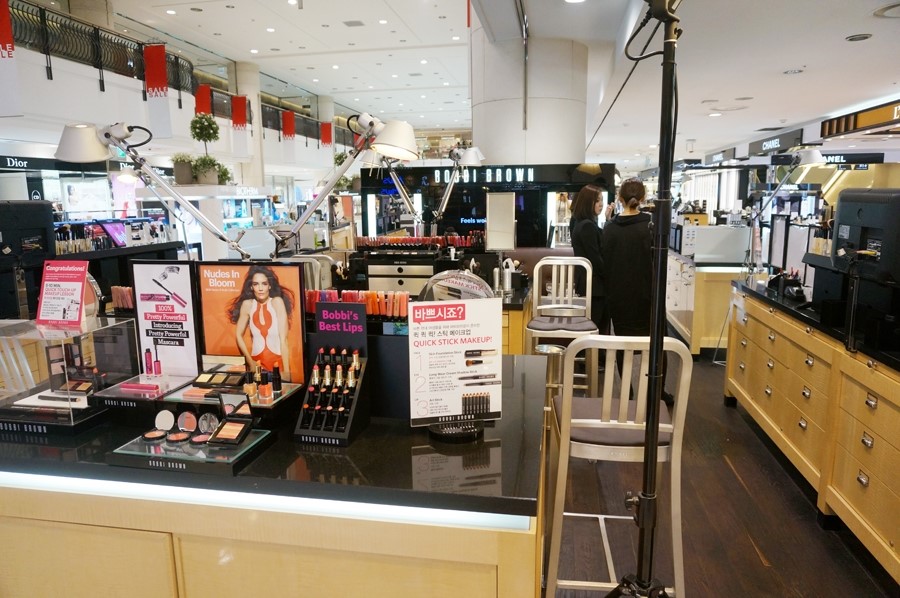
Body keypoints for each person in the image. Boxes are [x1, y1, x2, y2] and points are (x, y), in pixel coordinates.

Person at [602, 178, 672, 405]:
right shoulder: (651, 227)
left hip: (619, 296)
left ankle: (627, 393)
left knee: (624, 345)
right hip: (648, 296)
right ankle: (657, 392)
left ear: (619, 198)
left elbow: (606, 263)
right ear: (643, 198)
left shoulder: (609, 228)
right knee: (658, 343)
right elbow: (658, 263)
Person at [227, 265, 295, 382]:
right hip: (257, 367)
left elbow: (283, 340)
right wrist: (250, 362)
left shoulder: (277, 302)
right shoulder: (247, 305)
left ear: (269, 285)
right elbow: (238, 335)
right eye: (256, 284)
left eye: (264, 284)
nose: (260, 288)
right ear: (251, 287)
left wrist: (286, 371)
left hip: (278, 367)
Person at [569, 184, 609, 334]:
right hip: (595, 286)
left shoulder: (581, 223)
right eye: (597, 200)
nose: (601, 204)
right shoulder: (587, 226)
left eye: (601, 200)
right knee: (596, 329)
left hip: (590, 284)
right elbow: (596, 259)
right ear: (588, 202)